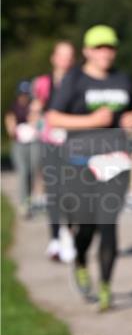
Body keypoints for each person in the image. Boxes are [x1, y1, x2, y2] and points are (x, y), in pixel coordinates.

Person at [46, 25, 132, 311]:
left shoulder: (123, 80)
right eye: (99, 48)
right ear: (87, 51)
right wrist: (92, 121)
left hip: (114, 163)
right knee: (86, 227)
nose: (105, 53)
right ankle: (82, 260)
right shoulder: (75, 80)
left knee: (108, 224)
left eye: (109, 47)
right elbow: (53, 118)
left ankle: (106, 287)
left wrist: (130, 120)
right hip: (80, 163)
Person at [33, 40, 77, 261]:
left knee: (71, 191)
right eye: (62, 55)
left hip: (72, 143)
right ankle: (54, 238)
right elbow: (35, 114)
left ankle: (68, 234)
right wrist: (36, 114)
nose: (66, 60)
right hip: (50, 142)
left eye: (70, 56)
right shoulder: (42, 83)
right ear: (53, 58)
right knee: (54, 192)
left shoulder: (79, 82)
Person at [5, 80, 42, 218]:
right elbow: (10, 123)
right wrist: (13, 129)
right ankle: (23, 202)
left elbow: (37, 121)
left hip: (33, 142)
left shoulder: (33, 106)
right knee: (23, 172)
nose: (24, 96)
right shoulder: (13, 107)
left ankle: (30, 198)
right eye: (22, 94)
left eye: (26, 94)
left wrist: (35, 116)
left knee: (33, 170)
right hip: (19, 144)